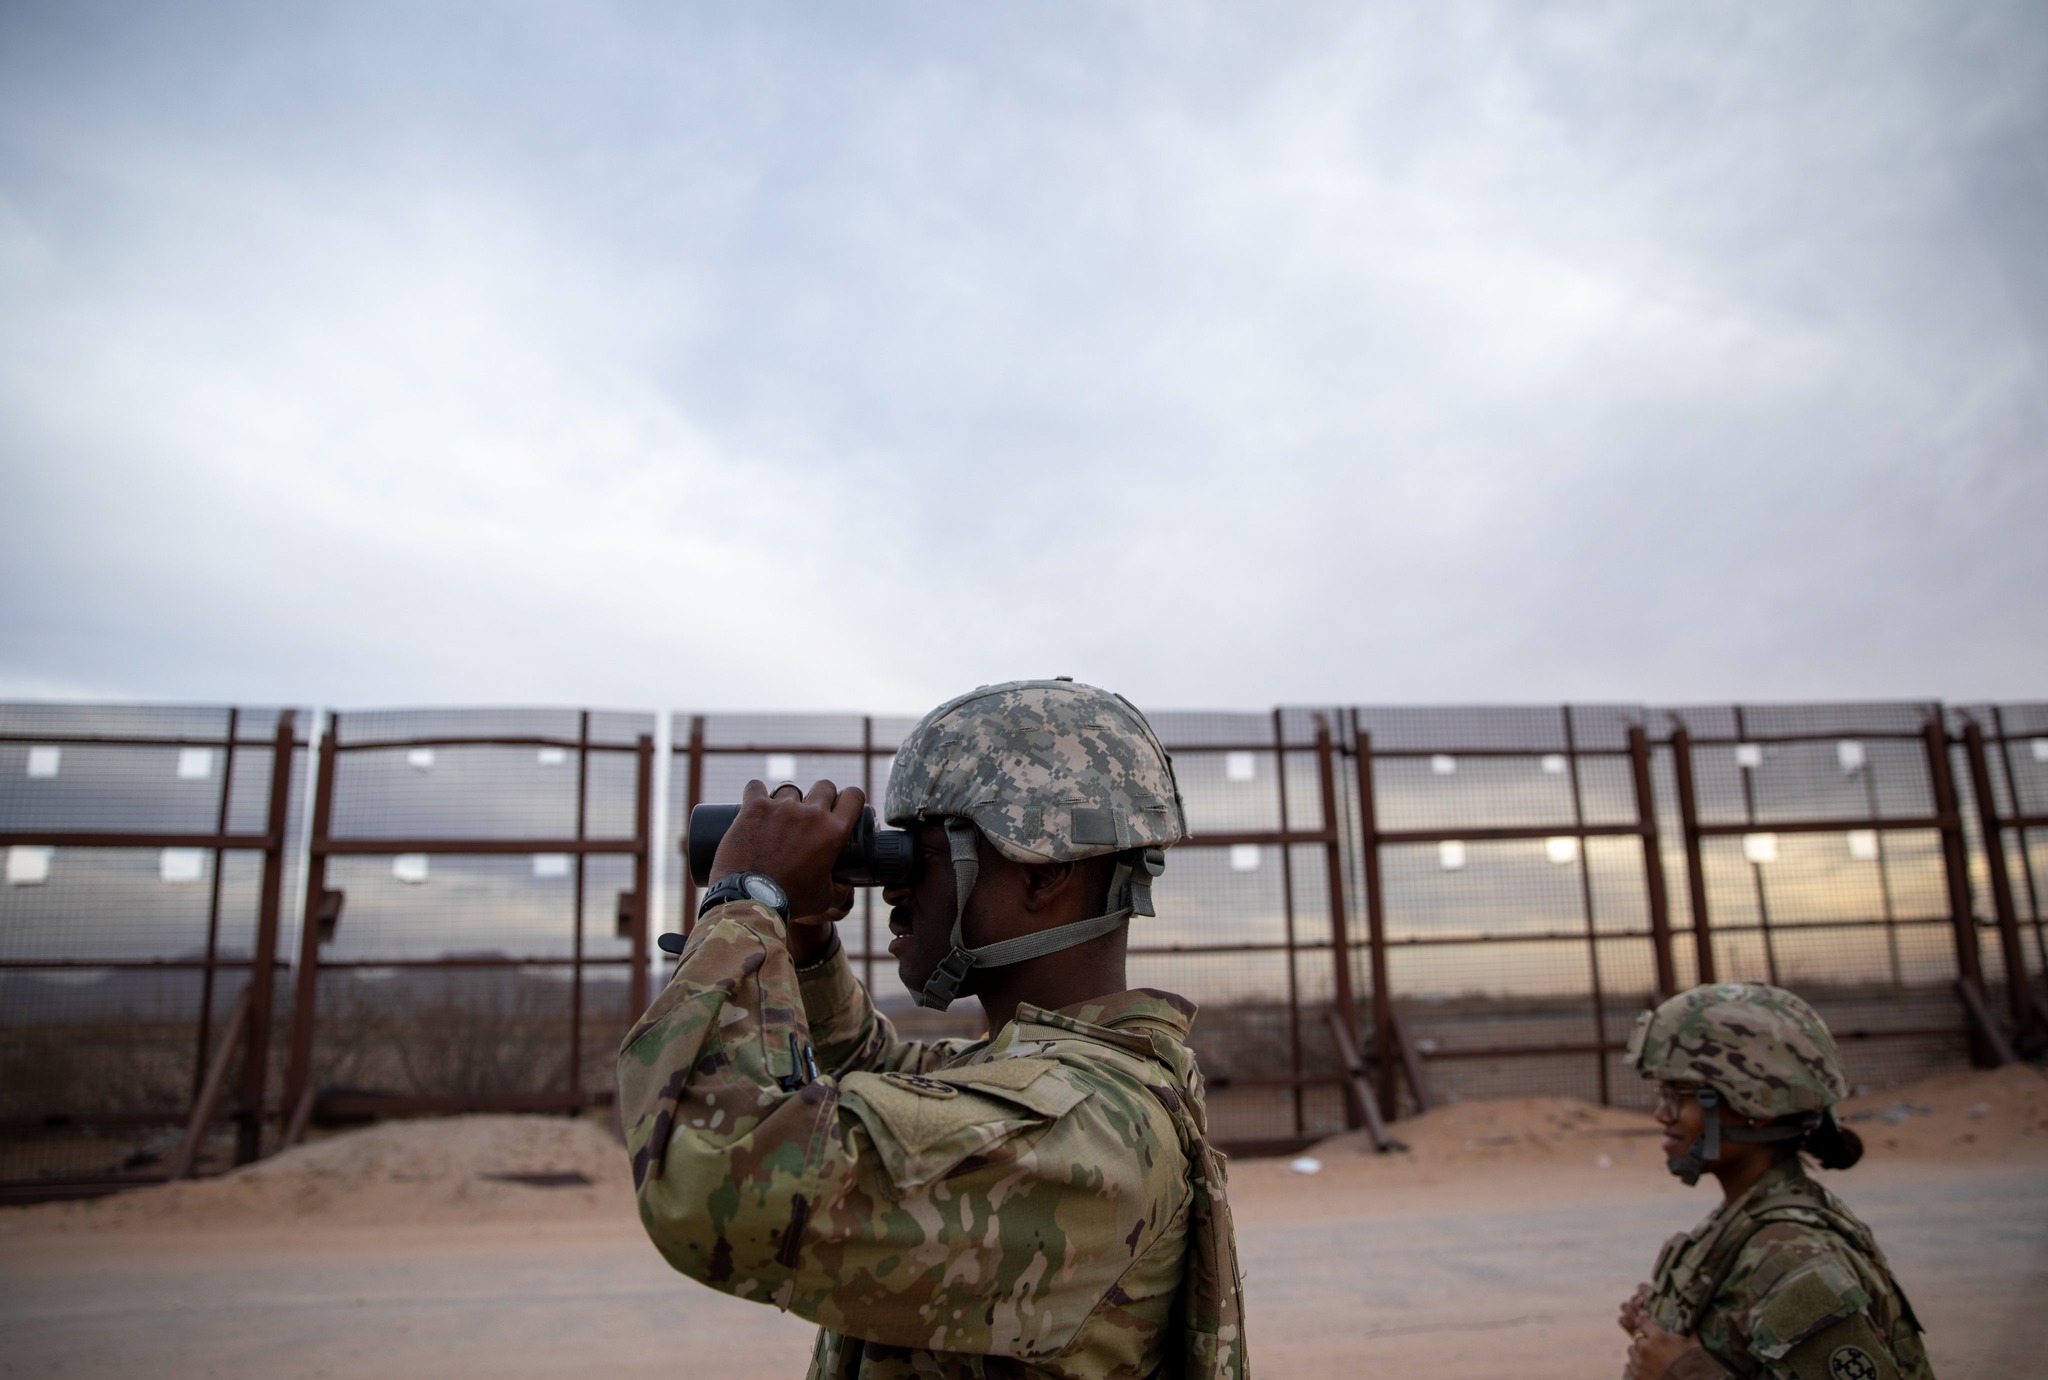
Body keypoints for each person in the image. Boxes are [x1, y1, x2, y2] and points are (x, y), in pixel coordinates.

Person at [618, 679, 1248, 1379]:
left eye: (921, 852)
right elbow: (869, 1068)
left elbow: (713, 1173)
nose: (892, 885)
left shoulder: (1075, 1126)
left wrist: (746, 899)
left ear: (1046, 873)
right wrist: (802, 943)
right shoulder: (1060, 1076)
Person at [1617, 982, 1934, 1380]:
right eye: (1662, 1094)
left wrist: (1684, 1371)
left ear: (1758, 1107)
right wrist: (1662, 1330)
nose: (1663, 1114)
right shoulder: (1744, 1222)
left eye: (1682, 1095)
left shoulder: (1797, 1262)